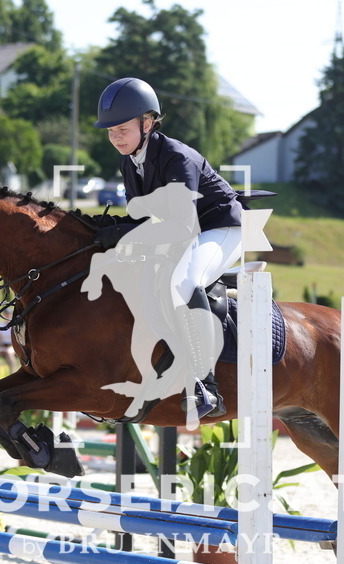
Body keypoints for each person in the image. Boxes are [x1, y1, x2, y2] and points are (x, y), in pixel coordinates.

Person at [92, 77, 243, 419]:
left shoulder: (176, 156)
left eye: (122, 128)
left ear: (147, 123)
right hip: (182, 234)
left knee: (185, 281)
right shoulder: (129, 161)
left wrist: (126, 235)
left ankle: (207, 385)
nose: (115, 136)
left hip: (218, 227)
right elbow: (144, 219)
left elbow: (182, 225)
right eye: (110, 130)